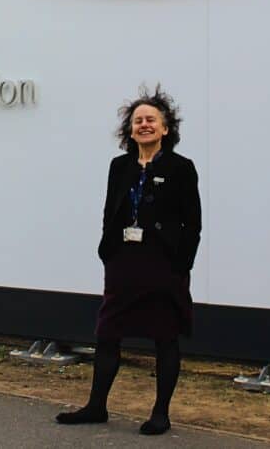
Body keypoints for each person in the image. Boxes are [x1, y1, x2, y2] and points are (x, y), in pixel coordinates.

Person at [56, 85, 201, 435]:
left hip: (164, 265)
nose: (144, 125)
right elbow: (111, 212)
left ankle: (160, 414)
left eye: (151, 119)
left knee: (165, 337)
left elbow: (193, 223)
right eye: (138, 120)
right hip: (124, 263)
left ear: (166, 128)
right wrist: (107, 251)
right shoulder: (119, 166)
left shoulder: (181, 168)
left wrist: (182, 265)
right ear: (130, 129)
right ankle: (96, 406)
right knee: (107, 334)